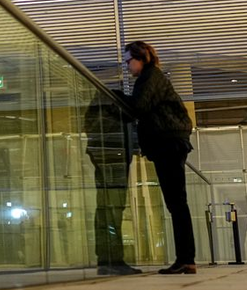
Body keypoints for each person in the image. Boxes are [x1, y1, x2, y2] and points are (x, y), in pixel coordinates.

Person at [124, 39, 197, 274]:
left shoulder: (150, 78)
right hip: (171, 143)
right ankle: (186, 259)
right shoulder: (154, 77)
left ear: (141, 58)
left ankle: (185, 258)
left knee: (176, 204)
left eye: (129, 61)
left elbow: (138, 107)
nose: (127, 66)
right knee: (177, 203)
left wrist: (116, 98)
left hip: (168, 144)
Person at [84, 92, 141, 275]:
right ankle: (113, 259)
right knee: (113, 207)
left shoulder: (97, 112)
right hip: (113, 158)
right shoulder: (111, 114)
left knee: (107, 207)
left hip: (107, 158)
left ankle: (106, 258)